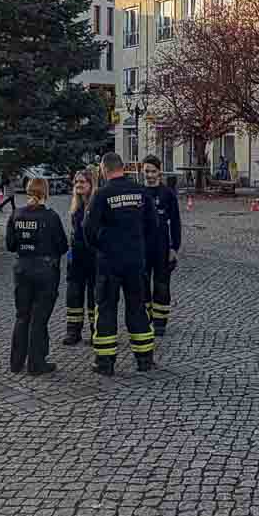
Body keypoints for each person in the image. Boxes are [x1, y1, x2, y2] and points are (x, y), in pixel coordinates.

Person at [82, 152, 157, 376]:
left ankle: (105, 363)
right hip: (135, 260)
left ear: (104, 170)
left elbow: (88, 229)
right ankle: (144, 359)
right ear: (122, 168)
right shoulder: (141, 192)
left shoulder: (102, 195)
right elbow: (153, 225)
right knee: (138, 308)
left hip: (109, 261)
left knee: (105, 308)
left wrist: (100, 247)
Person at [6, 176, 68, 375]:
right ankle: (36, 363)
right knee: (39, 319)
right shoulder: (51, 216)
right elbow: (62, 246)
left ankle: (16, 362)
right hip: (45, 270)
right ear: (46, 193)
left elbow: (10, 245)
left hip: (22, 268)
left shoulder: (16, 214)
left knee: (22, 316)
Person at [139, 157, 181, 337]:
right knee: (142, 285)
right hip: (141, 246)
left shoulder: (167, 194)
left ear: (159, 172)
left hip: (162, 246)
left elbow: (175, 223)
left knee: (162, 285)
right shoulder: (138, 193)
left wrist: (174, 248)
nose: (149, 175)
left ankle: (160, 322)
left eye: (153, 171)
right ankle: (145, 318)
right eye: (146, 171)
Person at [61, 170, 99, 346]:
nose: (78, 185)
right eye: (76, 182)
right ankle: (73, 331)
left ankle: (95, 330)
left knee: (93, 295)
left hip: (93, 256)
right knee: (74, 294)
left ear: (91, 184)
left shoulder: (96, 205)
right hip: (76, 256)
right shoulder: (75, 206)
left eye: (82, 182)